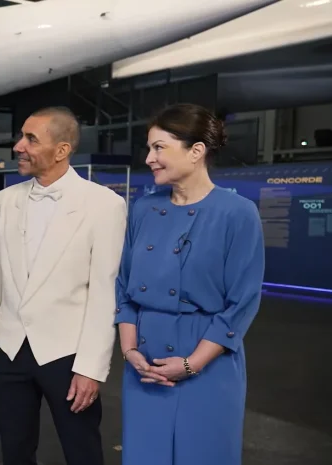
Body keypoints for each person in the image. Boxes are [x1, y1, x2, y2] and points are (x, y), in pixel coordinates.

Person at [0, 106, 126, 465]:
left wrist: (91, 367)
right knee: (15, 451)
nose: (18, 146)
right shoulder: (3, 201)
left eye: (31, 139)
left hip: (67, 355)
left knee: (82, 452)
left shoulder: (104, 205)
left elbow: (104, 294)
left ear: (61, 150)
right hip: (8, 350)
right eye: (21, 136)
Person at [114, 103, 264, 465]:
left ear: (196, 151)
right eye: (149, 148)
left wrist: (192, 363)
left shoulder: (238, 213)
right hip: (144, 366)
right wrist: (130, 351)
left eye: (159, 148)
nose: (149, 158)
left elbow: (241, 304)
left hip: (207, 365)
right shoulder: (143, 209)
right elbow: (124, 286)